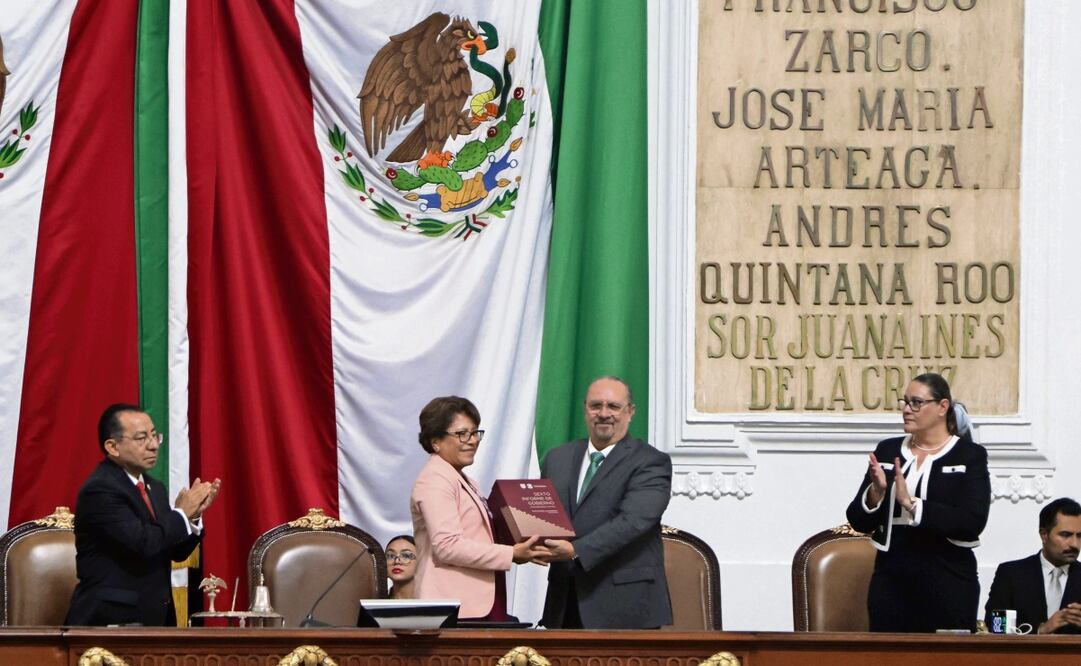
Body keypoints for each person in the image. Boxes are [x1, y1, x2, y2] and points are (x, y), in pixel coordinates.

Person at [846, 373, 990, 632]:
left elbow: (972, 521)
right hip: (891, 579)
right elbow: (858, 520)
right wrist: (876, 493)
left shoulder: (969, 455)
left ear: (942, 407)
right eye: (904, 402)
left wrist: (913, 504)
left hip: (949, 579)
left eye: (916, 402)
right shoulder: (887, 450)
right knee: (889, 651)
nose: (906, 410)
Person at [66, 404, 221, 626]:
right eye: (141, 438)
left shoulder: (154, 488)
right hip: (110, 622)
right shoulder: (100, 490)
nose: (153, 445)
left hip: (156, 618)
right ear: (113, 447)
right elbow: (143, 543)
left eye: (154, 436)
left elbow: (174, 551)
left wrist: (193, 516)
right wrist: (180, 514)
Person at [539, 376, 673, 629]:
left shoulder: (651, 461)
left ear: (630, 412)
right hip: (564, 603)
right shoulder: (557, 458)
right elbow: (545, 514)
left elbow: (634, 521)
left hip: (625, 607)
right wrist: (528, 542)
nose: (603, 414)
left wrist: (575, 550)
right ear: (585, 409)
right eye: (595, 405)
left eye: (613, 406)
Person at [410, 396, 548, 620]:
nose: (472, 440)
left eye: (475, 433)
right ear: (435, 442)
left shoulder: (462, 479)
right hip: (455, 604)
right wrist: (511, 553)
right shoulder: (435, 480)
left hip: (476, 600)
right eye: (462, 434)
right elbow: (447, 546)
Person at [984, 497, 1081, 634]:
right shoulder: (1011, 574)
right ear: (1044, 535)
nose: (1075, 544)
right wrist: (1040, 629)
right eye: (1066, 535)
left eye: (1079, 536)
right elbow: (994, 626)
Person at [385, 534, 418, 599]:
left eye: (406, 556)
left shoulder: (433, 601)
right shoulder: (375, 603)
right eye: (390, 556)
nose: (397, 561)